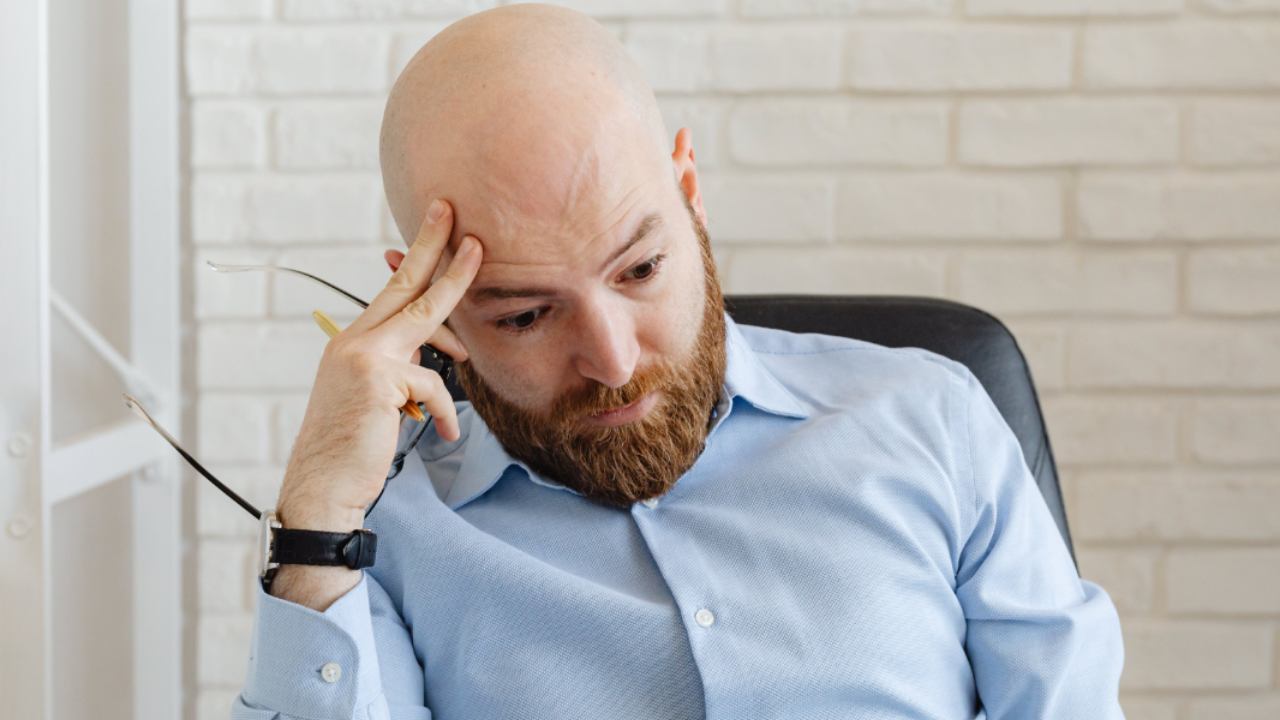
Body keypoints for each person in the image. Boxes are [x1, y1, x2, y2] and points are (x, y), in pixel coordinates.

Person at [232, 5, 1125, 719]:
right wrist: (314, 532)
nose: (614, 362)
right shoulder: (381, 538)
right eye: (528, 315)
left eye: (641, 269)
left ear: (690, 192)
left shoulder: (933, 419)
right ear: (423, 299)